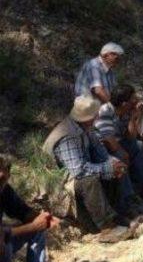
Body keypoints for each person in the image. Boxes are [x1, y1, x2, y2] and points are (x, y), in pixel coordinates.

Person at [42, 95, 132, 243]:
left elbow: (100, 151)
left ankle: (117, 215)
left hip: (76, 174)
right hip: (61, 183)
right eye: (95, 114)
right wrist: (107, 168)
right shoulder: (67, 136)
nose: (98, 116)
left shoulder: (85, 127)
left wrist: (113, 163)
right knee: (90, 180)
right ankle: (106, 227)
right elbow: (78, 171)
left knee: (112, 170)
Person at [0, 155, 60, 262]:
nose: (0, 177)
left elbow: (24, 212)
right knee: (4, 247)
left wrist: (44, 218)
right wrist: (34, 225)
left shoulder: (4, 189)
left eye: (3, 172)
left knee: (37, 228)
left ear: (8, 173)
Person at [95, 85, 143, 202]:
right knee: (119, 157)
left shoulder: (126, 111)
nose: (136, 101)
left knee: (138, 146)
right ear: (124, 103)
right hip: (103, 148)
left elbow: (131, 137)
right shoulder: (105, 112)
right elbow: (108, 141)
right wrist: (123, 153)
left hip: (118, 143)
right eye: (133, 99)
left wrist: (133, 118)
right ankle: (128, 199)